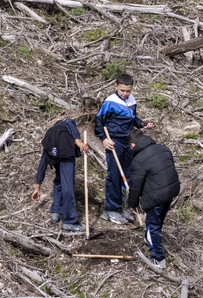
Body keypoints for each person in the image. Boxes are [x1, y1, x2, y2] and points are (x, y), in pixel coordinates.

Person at [95, 73, 155, 225]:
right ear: (115, 86)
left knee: (128, 175)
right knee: (114, 175)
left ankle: (123, 208)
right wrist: (104, 139)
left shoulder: (132, 100)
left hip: (129, 142)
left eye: (128, 91)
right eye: (122, 90)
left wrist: (142, 124)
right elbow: (99, 122)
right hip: (114, 142)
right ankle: (110, 210)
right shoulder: (110, 101)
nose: (125, 93)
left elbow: (133, 119)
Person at [127, 129, 181, 273]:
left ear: (132, 145)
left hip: (156, 195)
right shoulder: (163, 148)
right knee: (158, 221)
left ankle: (158, 258)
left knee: (152, 225)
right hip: (172, 190)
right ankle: (150, 240)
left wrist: (133, 204)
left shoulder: (138, 160)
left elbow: (135, 185)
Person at [30, 117, 88, 235]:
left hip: (53, 150)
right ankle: (70, 222)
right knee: (67, 184)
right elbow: (71, 124)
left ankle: (56, 211)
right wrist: (79, 141)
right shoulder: (67, 123)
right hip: (66, 148)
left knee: (59, 179)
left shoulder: (51, 134)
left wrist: (37, 188)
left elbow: (42, 165)